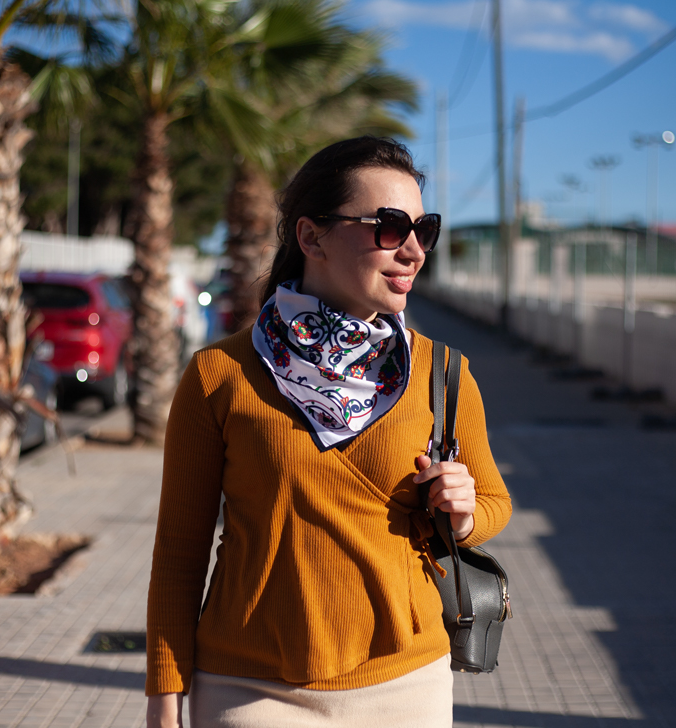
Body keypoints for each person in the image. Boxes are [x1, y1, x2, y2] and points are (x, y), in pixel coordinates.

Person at [146, 136, 511, 728]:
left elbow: (493, 502)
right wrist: (164, 696)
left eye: (424, 229)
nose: (414, 250)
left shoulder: (443, 372)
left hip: (405, 683)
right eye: (390, 227)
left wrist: (465, 513)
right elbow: (179, 552)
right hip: (248, 688)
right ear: (311, 237)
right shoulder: (219, 375)